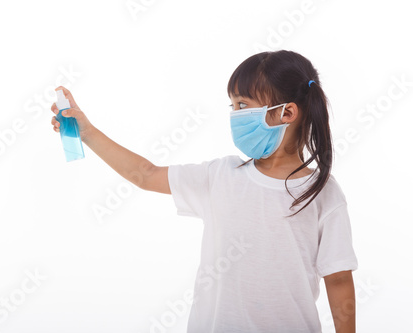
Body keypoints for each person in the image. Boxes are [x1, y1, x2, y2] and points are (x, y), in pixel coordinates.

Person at [50, 50, 358, 333]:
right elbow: (146, 175)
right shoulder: (220, 176)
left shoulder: (324, 195)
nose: (234, 115)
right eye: (232, 105)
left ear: (286, 113)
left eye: (243, 105)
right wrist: (87, 132)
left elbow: (340, 279)